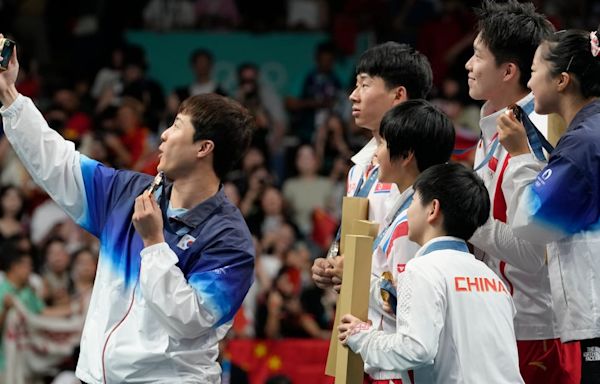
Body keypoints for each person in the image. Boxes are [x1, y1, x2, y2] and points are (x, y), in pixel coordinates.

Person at [0, 43, 256, 383]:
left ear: (203, 148)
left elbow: (188, 320)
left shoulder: (230, 240)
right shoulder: (129, 192)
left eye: (177, 126)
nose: (163, 135)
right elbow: (58, 163)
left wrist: (153, 244)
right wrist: (9, 95)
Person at [464, 1, 580, 382]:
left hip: (537, 331)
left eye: (478, 56)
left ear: (509, 71)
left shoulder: (543, 134)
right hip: (496, 317)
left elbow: (534, 253)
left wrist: (462, 216)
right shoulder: (494, 126)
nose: (468, 65)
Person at [311, 42, 433, 382]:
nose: (352, 95)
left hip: (400, 348)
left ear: (398, 96)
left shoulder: (423, 171)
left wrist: (356, 274)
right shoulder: (360, 168)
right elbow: (352, 245)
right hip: (357, 342)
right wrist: (331, 262)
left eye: (365, 84)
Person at [338, 163, 523, 384]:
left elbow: (416, 350)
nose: (408, 211)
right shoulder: (493, 278)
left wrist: (362, 336)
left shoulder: (421, 270)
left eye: (413, 200)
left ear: (432, 209)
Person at [498, 24, 600, 383]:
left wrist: (521, 155)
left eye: (536, 72)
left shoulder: (582, 146)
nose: (528, 84)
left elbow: (531, 224)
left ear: (562, 81)